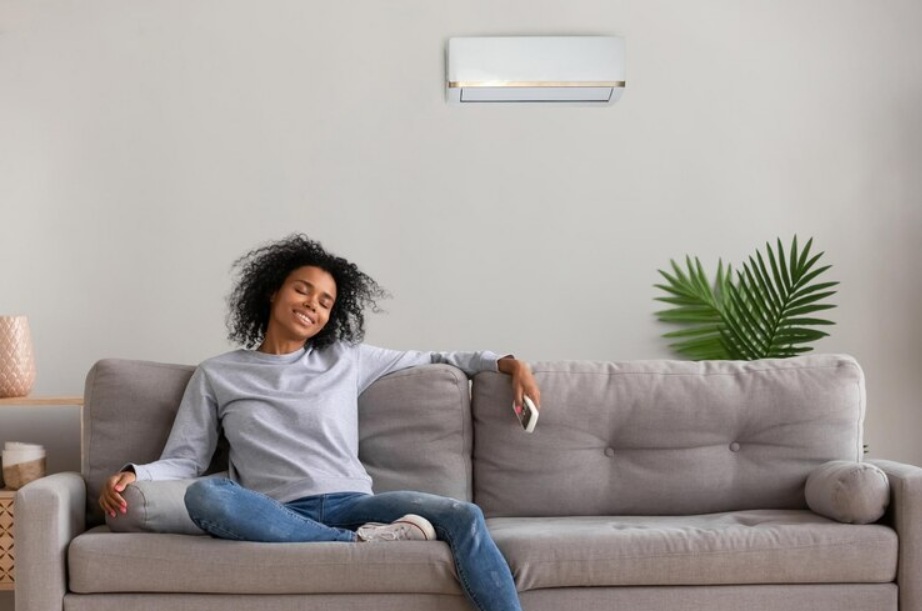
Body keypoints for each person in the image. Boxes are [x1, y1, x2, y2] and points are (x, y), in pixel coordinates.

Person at [99, 234, 540, 611]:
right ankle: (359, 544)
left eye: (325, 301)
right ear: (273, 291)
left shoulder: (345, 357)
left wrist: (510, 364)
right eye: (302, 290)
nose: (312, 304)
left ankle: (357, 537)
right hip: (276, 510)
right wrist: (135, 473)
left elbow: (439, 357)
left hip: (357, 505)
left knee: (463, 514)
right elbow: (186, 459)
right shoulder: (217, 373)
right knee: (206, 494)